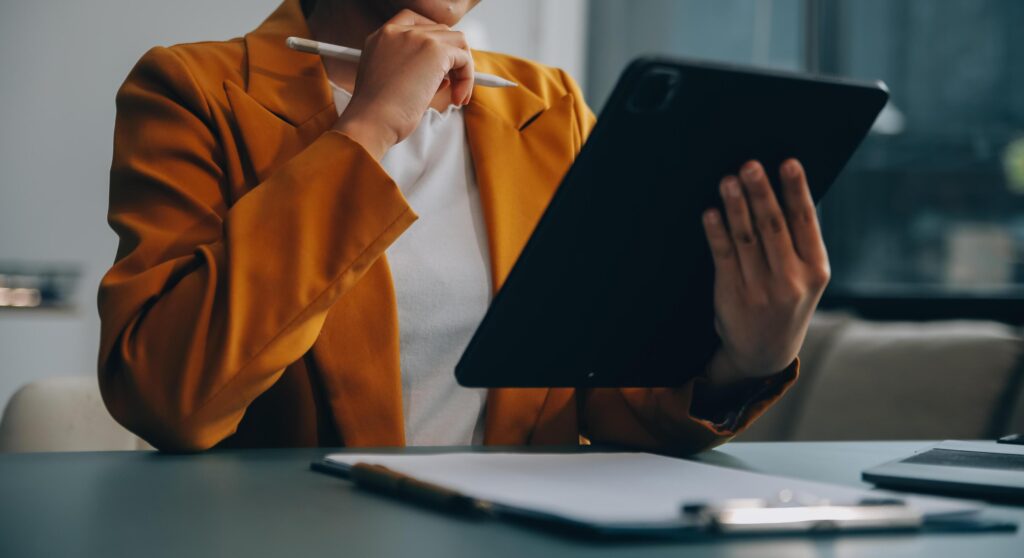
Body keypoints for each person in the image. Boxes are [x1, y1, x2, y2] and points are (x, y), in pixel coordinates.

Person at [98, 0, 830, 452]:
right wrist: (370, 128)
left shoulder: (550, 108)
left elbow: (605, 401)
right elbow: (169, 398)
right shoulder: (192, 92)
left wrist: (742, 362)